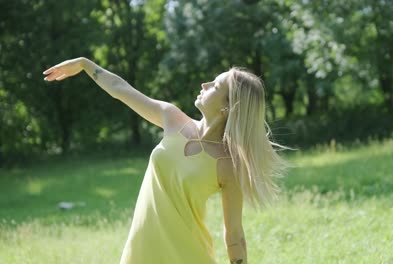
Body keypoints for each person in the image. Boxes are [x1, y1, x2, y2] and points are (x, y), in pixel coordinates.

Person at [43, 57, 291, 264]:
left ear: (227, 107)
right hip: (140, 252)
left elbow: (234, 235)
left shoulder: (228, 165)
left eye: (215, 86)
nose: (204, 84)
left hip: (188, 256)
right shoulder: (172, 118)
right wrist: (86, 65)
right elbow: (121, 89)